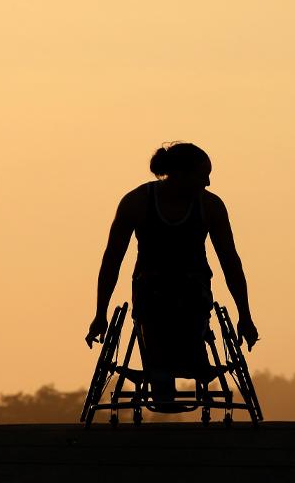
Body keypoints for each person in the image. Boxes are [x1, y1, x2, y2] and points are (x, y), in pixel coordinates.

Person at [85, 142, 259, 385]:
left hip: (193, 293)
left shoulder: (211, 206)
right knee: (157, 303)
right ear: (181, 175)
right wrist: (100, 314)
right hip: (151, 294)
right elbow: (112, 260)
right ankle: (165, 368)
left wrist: (245, 315)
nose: (208, 183)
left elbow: (230, 262)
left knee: (187, 300)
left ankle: (183, 363)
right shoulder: (136, 202)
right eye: (203, 176)